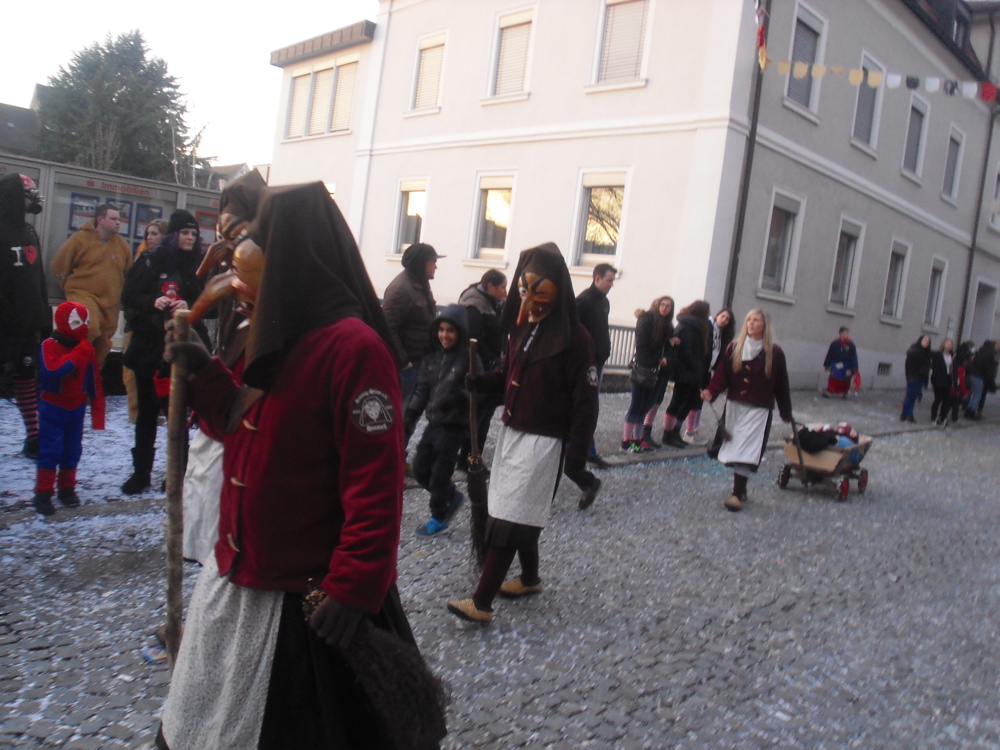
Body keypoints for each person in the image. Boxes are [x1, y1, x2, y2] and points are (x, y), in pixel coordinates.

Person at [157, 183, 445, 749]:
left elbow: (376, 485)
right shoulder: (275, 332)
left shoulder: (353, 349)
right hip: (236, 579)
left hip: (304, 598)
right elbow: (249, 429)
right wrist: (204, 374)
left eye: (252, 289)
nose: (244, 301)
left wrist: (354, 587)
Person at [448, 242, 600, 624]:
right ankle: (530, 579)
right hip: (513, 432)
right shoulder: (524, 329)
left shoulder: (576, 339)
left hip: (544, 441)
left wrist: (577, 454)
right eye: (523, 289)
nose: (529, 299)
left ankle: (482, 602)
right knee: (517, 509)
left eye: (539, 290)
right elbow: (509, 375)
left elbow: (586, 400)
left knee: (510, 517)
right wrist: (483, 382)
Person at [119, 210, 209, 495]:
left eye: (194, 234)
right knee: (146, 412)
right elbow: (129, 296)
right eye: (185, 233)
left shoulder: (199, 265)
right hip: (148, 346)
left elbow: (213, 305)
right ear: (174, 234)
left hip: (181, 349)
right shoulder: (151, 259)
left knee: (177, 415)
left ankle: (176, 473)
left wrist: (190, 305)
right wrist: (153, 301)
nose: (190, 238)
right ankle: (141, 472)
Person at [702, 309, 792, 512]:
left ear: (765, 325)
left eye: (756, 320)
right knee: (735, 448)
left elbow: (782, 384)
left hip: (759, 410)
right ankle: (741, 488)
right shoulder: (735, 347)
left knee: (747, 450)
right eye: (749, 319)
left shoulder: (775, 353)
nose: (751, 323)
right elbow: (722, 375)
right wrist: (711, 391)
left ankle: (736, 493)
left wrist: (786, 412)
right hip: (735, 406)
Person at [404, 304, 480, 536]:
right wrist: (410, 416)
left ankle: (439, 516)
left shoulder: (468, 358)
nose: (445, 335)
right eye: (441, 330)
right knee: (420, 469)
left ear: (460, 332)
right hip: (433, 423)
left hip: (454, 427)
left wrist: (459, 399)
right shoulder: (432, 357)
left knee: (440, 474)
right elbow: (422, 390)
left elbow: (479, 390)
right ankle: (451, 495)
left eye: (450, 331)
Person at [31, 302, 105, 516]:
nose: (83, 327)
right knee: (50, 449)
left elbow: (94, 379)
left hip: (76, 407)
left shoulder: (85, 347)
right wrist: (78, 354)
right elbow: (52, 371)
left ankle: (67, 488)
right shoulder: (49, 345)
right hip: (52, 406)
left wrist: (98, 411)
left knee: (72, 449)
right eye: (77, 322)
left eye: (85, 322)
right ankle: (43, 493)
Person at [0, 174, 50, 459]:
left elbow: (37, 278)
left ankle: (33, 437)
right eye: (29, 192)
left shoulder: (30, 232)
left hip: (28, 325)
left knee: (26, 378)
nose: (34, 197)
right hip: (6, 324)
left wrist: (44, 316)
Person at [51, 203, 132, 367]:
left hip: (110, 301)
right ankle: (72, 368)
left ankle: (92, 374)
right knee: (90, 328)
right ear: (100, 219)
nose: (118, 222)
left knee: (104, 341)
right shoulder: (80, 239)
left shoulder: (122, 246)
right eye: (113, 218)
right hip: (83, 294)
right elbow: (59, 265)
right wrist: (68, 287)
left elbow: (129, 272)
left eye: (119, 219)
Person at [382, 242, 443, 409]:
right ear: (421, 263)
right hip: (407, 367)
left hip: (419, 361)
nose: (436, 266)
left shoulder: (420, 283)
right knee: (400, 411)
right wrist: (403, 362)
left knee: (411, 412)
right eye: (433, 262)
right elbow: (387, 327)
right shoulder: (401, 289)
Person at [123, 218, 169, 424]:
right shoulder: (144, 257)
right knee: (134, 371)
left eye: (154, 233)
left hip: (157, 326)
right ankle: (136, 411)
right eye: (147, 233)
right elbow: (130, 294)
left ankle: (151, 410)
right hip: (139, 323)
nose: (149, 237)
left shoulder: (166, 260)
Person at [457, 269, 507, 460]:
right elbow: (474, 337)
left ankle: (475, 456)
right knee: (477, 414)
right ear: (490, 286)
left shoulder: (494, 302)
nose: (505, 291)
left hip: (492, 365)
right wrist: (491, 359)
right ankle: (467, 457)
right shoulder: (474, 304)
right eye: (502, 287)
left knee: (486, 414)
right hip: (479, 366)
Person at [576, 263, 616, 467]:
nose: (611, 284)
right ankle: (580, 450)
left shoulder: (604, 302)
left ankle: (586, 449)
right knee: (585, 407)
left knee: (591, 408)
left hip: (598, 361)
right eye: (609, 280)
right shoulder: (583, 301)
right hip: (586, 364)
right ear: (597, 278)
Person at [622, 296, 674, 453]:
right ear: (657, 304)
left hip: (657, 372)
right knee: (636, 405)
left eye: (668, 306)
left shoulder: (667, 325)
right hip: (643, 369)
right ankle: (626, 441)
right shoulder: (646, 319)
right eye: (662, 304)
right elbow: (641, 346)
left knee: (646, 406)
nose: (665, 308)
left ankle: (638, 439)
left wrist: (666, 357)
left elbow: (668, 346)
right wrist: (658, 360)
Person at [660, 300, 711, 449]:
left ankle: (675, 431)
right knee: (677, 401)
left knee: (689, 401)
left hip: (693, 370)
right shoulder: (688, 327)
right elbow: (685, 350)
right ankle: (667, 434)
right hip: (685, 370)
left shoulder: (696, 326)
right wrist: (697, 365)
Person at [683, 308, 734, 444]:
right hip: (700, 368)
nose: (724, 320)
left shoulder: (722, 334)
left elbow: (719, 353)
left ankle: (694, 430)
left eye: (727, 319)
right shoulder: (708, 328)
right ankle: (689, 432)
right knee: (694, 400)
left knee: (700, 401)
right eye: (723, 316)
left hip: (708, 370)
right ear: (717, 315)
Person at [900, 335, 932, 423]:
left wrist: (925, 380)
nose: (926, 342)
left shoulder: (927, 353)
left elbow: (927, 367)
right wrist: (909, 377)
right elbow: (908, 365)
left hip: (921, 377)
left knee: (914, 397)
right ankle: (904, 413)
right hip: (913, 376)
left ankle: (909, 414)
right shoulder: (914, 350)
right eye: (925, 340)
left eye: (928, 341)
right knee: (909, 396)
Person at [822, 326, 859, 398]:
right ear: (841, 333)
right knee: (833, 378)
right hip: (836, 364)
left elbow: (853, 356)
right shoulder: (835, 343)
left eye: (847, 333)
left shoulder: (851, 344)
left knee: (846, 379)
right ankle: (830, 391)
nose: (847, 334)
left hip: (847, 365)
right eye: (845, 333)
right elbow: (830, 354)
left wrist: (855, 367)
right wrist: (827, 364)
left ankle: (845, 393)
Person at [969, 341, 999, 418]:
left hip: (974, 374)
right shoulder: (990, 354)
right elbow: (988, 368)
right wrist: (990, 380)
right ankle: (971, 412)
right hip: (980, 375)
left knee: (975, 394)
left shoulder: (981, 351)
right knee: (978, 395)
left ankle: (969, 410)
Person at [930, 338, 956, 426]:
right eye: (947, 344)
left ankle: (942, 417)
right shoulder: (938, 355)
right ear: (944, 344)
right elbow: (935, 367)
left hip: (948, 378)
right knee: (938, 399)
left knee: (947, 399)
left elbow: (953, 368)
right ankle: (933, 416)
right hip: (939, 378)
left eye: (951, 344)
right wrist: (937, 380)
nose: (949, 346)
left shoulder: (952, 355)